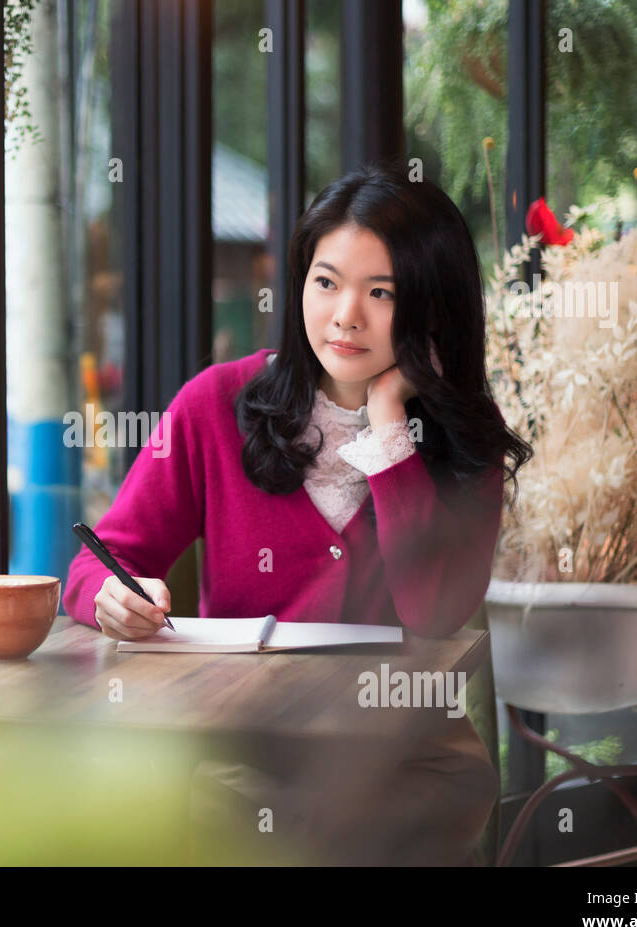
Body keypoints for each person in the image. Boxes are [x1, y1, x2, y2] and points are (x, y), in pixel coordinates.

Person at [61, 158, 533, 864]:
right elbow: (102, 559)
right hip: (247, 755)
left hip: (406, 759)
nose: (346, 316)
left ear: (432, 306)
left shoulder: (463, 432)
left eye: (382, 292)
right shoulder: (214, 405)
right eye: (326, 283)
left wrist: (388, 425)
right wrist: (109, 598)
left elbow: (434, 610)